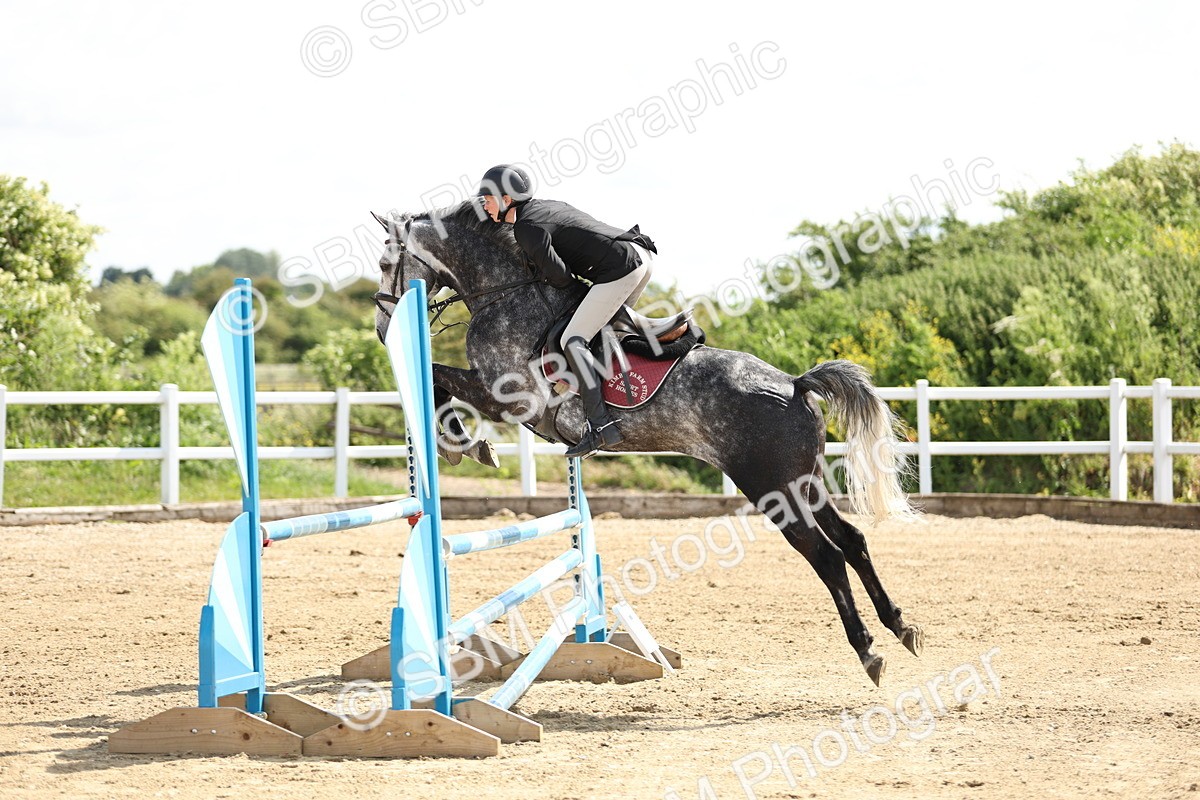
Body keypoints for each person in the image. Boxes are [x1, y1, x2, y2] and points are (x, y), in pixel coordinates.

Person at [475, 163, 657, 458]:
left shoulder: (526, 227)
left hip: (622, 267)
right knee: (600, 332)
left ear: (506, 199)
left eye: (488, 199)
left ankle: (601, 425)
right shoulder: (544, 208)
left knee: (573, 339)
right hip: (638, 255)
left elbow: (561, 278)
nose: (484, 204)